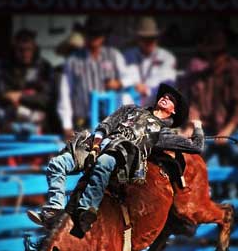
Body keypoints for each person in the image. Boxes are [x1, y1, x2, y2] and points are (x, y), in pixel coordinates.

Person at [28, 84, 203, 234]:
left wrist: (198, 127)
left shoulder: (163, 133)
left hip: (124, 158)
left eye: (171, 99)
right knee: (57, 163)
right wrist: (95, 145)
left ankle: (87, 209)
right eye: (164, 95)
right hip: (98, 146)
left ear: (173, 110)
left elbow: (197, 146)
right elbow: (106, 125)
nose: (165, 97)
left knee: (105, 162)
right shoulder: (130, 109)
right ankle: (54, 210)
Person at [183, 21, 238, 163]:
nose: (215, 57)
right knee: (195, 154)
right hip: (211, 130)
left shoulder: (234, 70)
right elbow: (196, 105)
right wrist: (191, 126)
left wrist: (227, 131)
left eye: (217, 53)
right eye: (212, 54)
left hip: (236, 129)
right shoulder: (205, 76)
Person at [57, 16, 129, 139]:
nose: (94, 37)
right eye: (91, 34)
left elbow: (131, 79)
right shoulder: (73, 60)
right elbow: (65, 93)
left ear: (103, 36)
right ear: (85, 35)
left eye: (98, 34)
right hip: (83, 123)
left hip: (112, 124)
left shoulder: (114, 55)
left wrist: (120, 83)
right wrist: (67, 125)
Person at [0, 29, 54, 134]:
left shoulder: (44, 67)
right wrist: (30, 94)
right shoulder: (6, 68)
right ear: (14, 50)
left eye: (28, 49)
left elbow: (46, 99)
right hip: (13, 122)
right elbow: (3, 95)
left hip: (39, 123)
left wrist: (20, 96)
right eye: (21, 50)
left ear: (34, 48)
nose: (25, 54)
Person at [122, 17, 177, 106]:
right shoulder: (127, 56)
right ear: (138, 39)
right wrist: (132, 87)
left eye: (152, 38)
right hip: (131, 103)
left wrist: (148, 90)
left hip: (157, 105)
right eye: (145, 38)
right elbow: (121, 80)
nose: (149, 42)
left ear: (157, 38)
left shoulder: (167, 57)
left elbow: (169, 84)